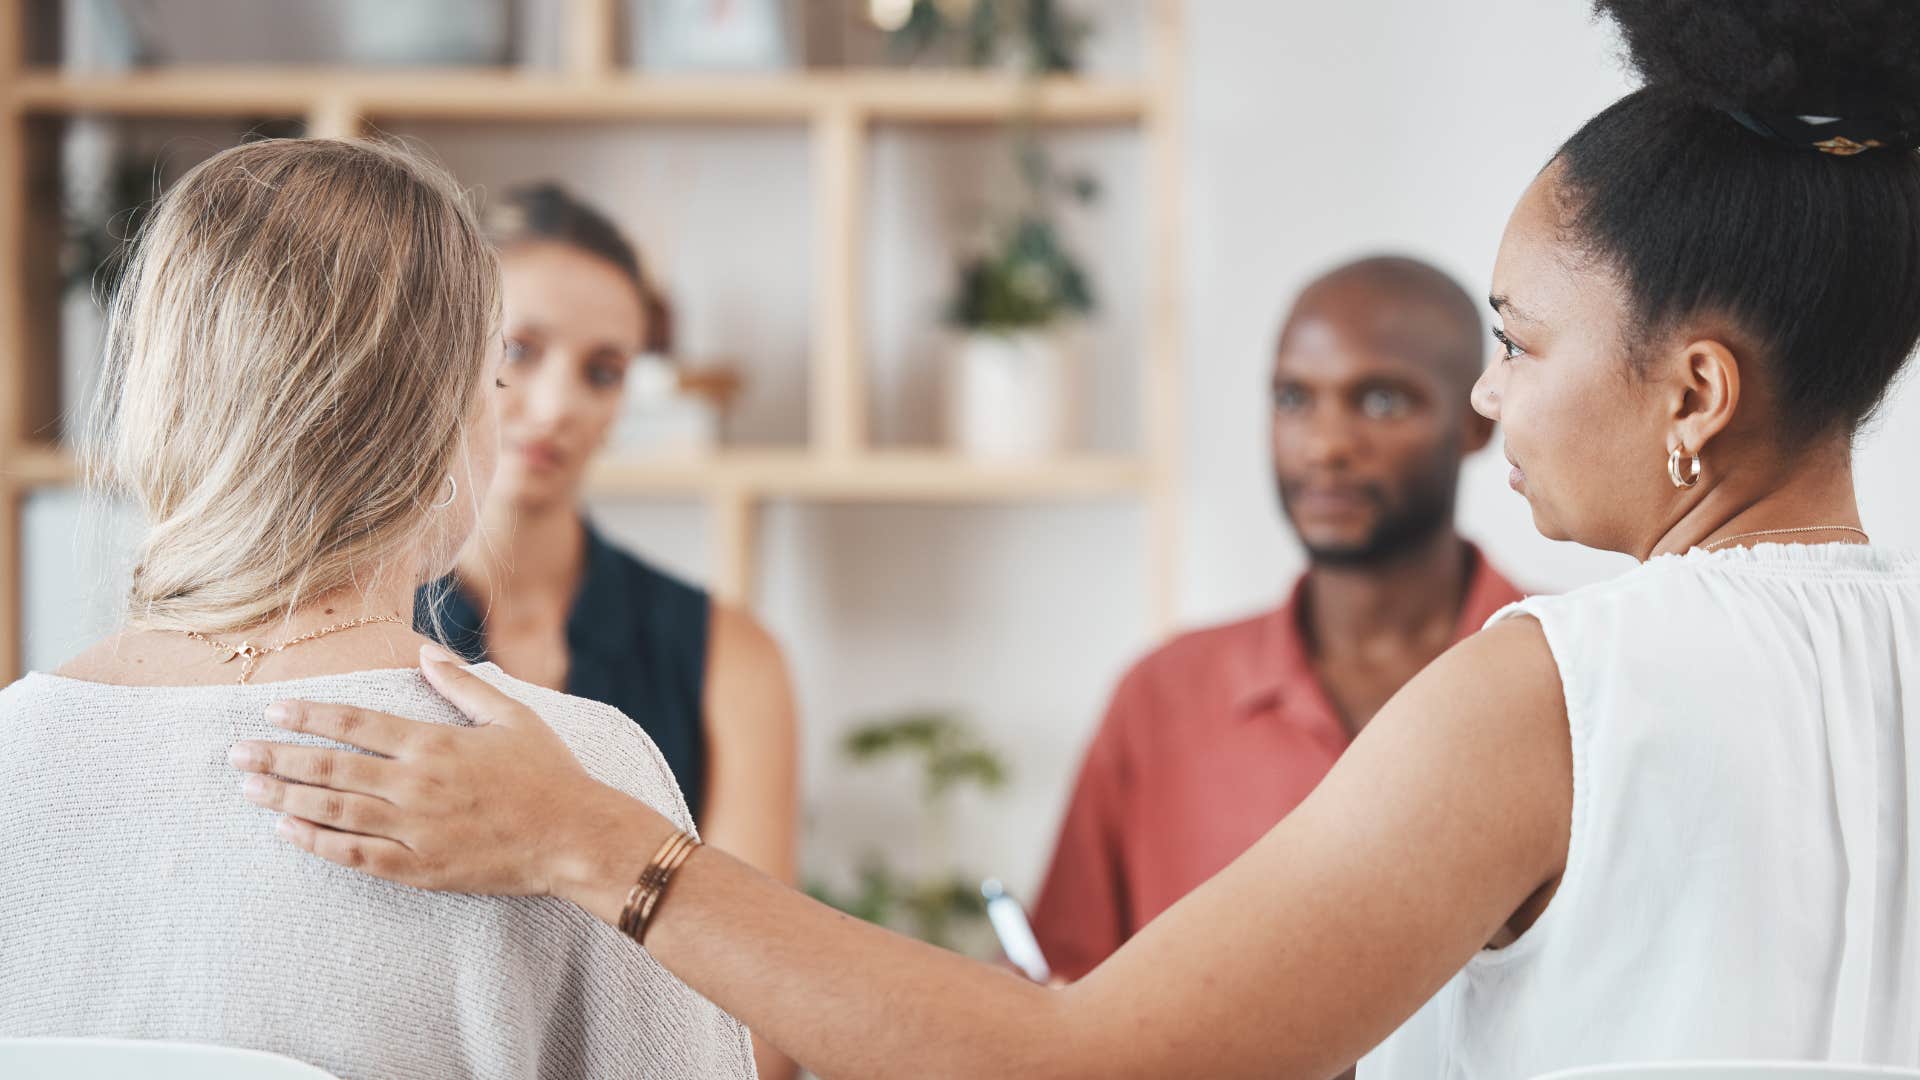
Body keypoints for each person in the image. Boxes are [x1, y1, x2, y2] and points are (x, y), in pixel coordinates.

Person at [231, 4, 1920, 1076]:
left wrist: (585, 845)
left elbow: (1087, 1061)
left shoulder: (1562, 686)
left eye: (1516, 340)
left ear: (1694, 390)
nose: (1488, 401)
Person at [0, 139, 756, 1078]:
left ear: (164, 394)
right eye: (501, 378)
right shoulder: (574, 780)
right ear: (440, 418)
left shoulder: (12, 748)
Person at [1032, 255, 1525, 985]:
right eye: (1294, 398)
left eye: (1381, 402)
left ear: (1475, 422)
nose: (1324, 446)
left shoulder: (1566, 676)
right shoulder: (1162, 696)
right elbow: (1056, 985)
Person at [419, 182, 800, 1078]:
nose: (556, 406)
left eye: (602, 371)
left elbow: (764, 1036)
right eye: (518, 350)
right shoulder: (342, 622)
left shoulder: (730, 658)